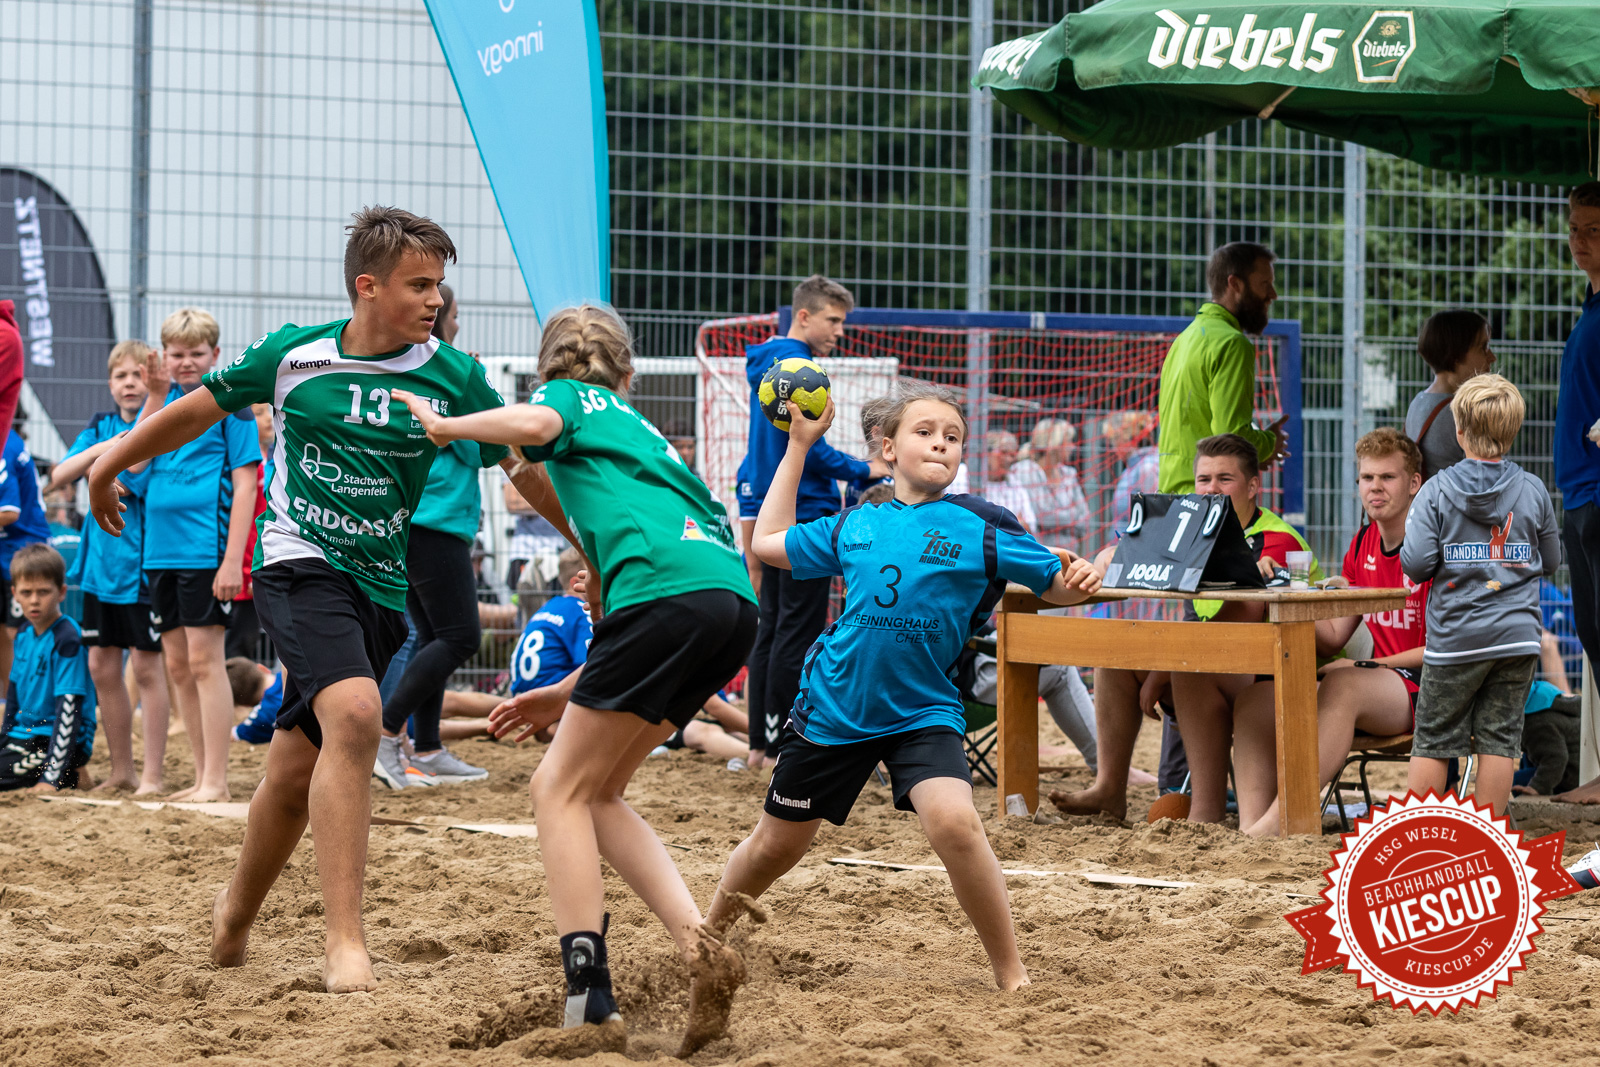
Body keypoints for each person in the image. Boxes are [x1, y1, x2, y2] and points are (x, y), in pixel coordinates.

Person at [88, 206, 557, 994]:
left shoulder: (453, 374)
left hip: (379, 585)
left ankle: (234, 914)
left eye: (440, 285)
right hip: (295, 562)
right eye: (419, 284)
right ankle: (346, 944)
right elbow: (195, 409)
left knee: (292, 765)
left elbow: (521, 465)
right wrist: (107, 468)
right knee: (356, 717)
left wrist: (592, 546)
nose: (435, 299)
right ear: (367, 287)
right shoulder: (295, 355)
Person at [399, 303, 756, 1051]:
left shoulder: (571, 398)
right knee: (596, 792)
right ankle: (701, 945)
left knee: (553, 788)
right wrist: (565, 692)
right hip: (727, 602)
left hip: (664, 594)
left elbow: (535, 429)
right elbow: (555, 495)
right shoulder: (640, 433)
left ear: (548, 372)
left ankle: (589, 993)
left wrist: (448, 426)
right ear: (629, 372)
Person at [702, 385, 1101, 1011]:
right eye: (925, 431)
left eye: (952, 435)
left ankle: (1012, 972)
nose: (941, 441)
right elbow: (767, 541)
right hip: (835, 707)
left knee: (956, 823)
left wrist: (1088, 575)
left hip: (922, 708)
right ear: (888, 449)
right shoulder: (857, 524)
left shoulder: (981, 526)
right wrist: (799, 445)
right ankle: (707, 937)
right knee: (775, 848)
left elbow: (1057, 585)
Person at [1050, 433, 1317, 821]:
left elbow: (1239, 620)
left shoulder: (1276, 539)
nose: (1212, 489)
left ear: (1253, 486)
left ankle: (1205, 810)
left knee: (1188, 670)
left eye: (1225, 479)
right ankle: (1109, 789)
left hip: (1271, 669)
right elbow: (1119, 552)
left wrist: (1167, 667)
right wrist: (1103, 562)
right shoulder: (1192, 523)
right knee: (1117, 653)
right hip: (1212, 658)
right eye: (1204, 480)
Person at [1232, 429, 1429, 836]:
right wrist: (1281, 589)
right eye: (1367, 478)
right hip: (1375, 677)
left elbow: (1442, 650)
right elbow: (1333, 637)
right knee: (1256, 697)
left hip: (1425, 685)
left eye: (1387, 478)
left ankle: (1284, 820)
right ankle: (1255, 828)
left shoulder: (1431, 547)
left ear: (1414, 484)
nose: (1375, 487)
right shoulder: (1361, 544)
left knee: (1344, 684)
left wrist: (1368, 664)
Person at [740, 275, 887, 769]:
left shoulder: (767, 362)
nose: (840, 332)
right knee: (799, 631)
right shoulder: (798, 367)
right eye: (834, 320)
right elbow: (810, 446)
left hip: (766, 504)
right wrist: (866, 469)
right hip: (802, 509)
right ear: (804, 317)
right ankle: (787, 743)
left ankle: (760, 744)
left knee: (773, 627)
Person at [1400, 374, 1559, 816]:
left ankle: (1424, 836)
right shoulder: (1533, 489)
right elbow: (1550, 558)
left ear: (1459, 432)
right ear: (1513, 430)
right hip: (1516, 638)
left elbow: (1415, 564)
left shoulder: (1435, 491)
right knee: (1500, 741)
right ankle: (1488, 839)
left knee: (1434, 738)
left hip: (1455, 639)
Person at [374, 283, 498, 789]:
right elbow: (471, 444)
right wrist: (477, 400)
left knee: (431, 636)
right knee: (459, 636)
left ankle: (426, 748)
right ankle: (385, 731)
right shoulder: (443, 371)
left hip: (423, 520)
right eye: (456, 312)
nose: (458, 321)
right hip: (435, 521)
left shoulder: (424, 367)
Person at [140, 308, 261, 802]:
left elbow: (247, 481)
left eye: (196, 354)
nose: (186, 363)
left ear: (215, 354)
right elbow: (133, 465)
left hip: (205, 551)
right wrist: (152, 395)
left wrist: (234, 560)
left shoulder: (231, 406)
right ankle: (198, 776)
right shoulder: (161, 404)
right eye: (177, 354)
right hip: (159, 552)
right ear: (164, 357)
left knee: (205, 661)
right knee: (175, 665)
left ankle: (216, 780)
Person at [45, 340, 173, 795]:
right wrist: (105, 450)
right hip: (99, 569)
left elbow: (135, 469)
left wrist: (108, 461)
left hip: (139, 569)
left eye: (139, 376)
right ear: (109, 383)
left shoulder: (163, 421)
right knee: (102, 666)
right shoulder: (101, 424)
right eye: (121, 377)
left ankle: (152, 776)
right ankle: (123, 770)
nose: (130, 384)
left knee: (146, 670)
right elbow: (60, 474)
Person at [1155, 242, 1289, 495]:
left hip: (1172, 498)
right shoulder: (1231, 343)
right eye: (1264, 284)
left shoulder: (1185, 339)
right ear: (1235, 284)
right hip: (1208, 501)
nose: (1273, 294)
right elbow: (1232, 437)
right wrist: (1270, 443)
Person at [1554, 181, 1600, 804]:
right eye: (1575, 226)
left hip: (1596, 492)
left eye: (1594, 227)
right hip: (1579, 492)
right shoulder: (1590, 306)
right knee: (1593, 634)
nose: (1581, 239)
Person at [0, 545, 96, 791]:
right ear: (15, 594)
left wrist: (51, 777)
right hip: (24, 736)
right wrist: (4, 741)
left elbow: (69, 710)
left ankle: (70, 775)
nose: (34, 600)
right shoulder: (22, 634)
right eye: (26, 592)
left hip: (58, 739)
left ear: (62, 592)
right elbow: (13, 699)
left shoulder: (67, 638)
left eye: (43, 592)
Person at [1404, 310, 1496, 480]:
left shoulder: (1418, 402)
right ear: (1457, 355)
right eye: (1483, 347)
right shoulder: (1462, 413)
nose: (1492, 357)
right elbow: (1489, 482)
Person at [0, 425, 50, 691]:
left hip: (23, 548)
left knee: (21, 631)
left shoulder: (5, 443)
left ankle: (35, 702)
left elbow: (9, 512)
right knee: (4, 632)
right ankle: (13, 701)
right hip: (5, 547)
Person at [1009, 418, 1089, 547]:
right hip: (1037, 552)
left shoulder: (1069, 474)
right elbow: (1035, 515)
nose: (1073, 446)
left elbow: (1084, 518)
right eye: (1068, 441)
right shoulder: (1024, 471)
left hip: (1069, 554)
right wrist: (1070, 517)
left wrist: (1052, 520)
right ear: (1054, 443)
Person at [974, 430, 1036, 533]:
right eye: (1003, 453)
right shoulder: (964, 477)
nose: (1008, 459)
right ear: (986, 453)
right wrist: (1013, 522)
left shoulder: (1015, 484)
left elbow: (1029, 528)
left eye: (1012, 455)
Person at [228, 655, 284, 745]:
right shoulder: (289, 674)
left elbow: (232, 734)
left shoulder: (259, 719)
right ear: (262, 668)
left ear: (246, 705)